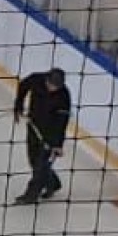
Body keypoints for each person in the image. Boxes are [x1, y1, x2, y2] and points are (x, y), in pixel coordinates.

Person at [14, 67, 73, 205]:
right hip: (33, 126)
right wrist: (19, 105)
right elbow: (23, 86)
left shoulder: (64, 96)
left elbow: (62, 122)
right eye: (51, 85)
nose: (53, 88)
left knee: (40, 165)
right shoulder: (36, 79)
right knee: (33, 160)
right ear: (47, 79)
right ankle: (53, 183)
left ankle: (31, 195)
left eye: (56, 87)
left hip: (50, 135)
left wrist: (58, 144)